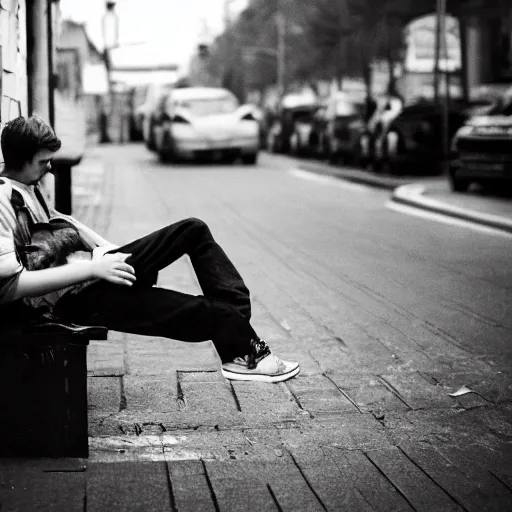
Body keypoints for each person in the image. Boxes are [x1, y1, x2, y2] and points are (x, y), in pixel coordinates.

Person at [0, 115, 299, 383]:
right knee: (207, 310)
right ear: (21, 159)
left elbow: (66, 224)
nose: (50, 167)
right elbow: (10, 287)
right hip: (70, 300)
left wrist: (112, 251)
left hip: (89, 276)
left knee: (192, 230)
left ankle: (239, 337)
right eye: (43, 162)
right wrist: (93, 268)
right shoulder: (2, 201)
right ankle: (245, 351)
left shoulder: (27, 187)